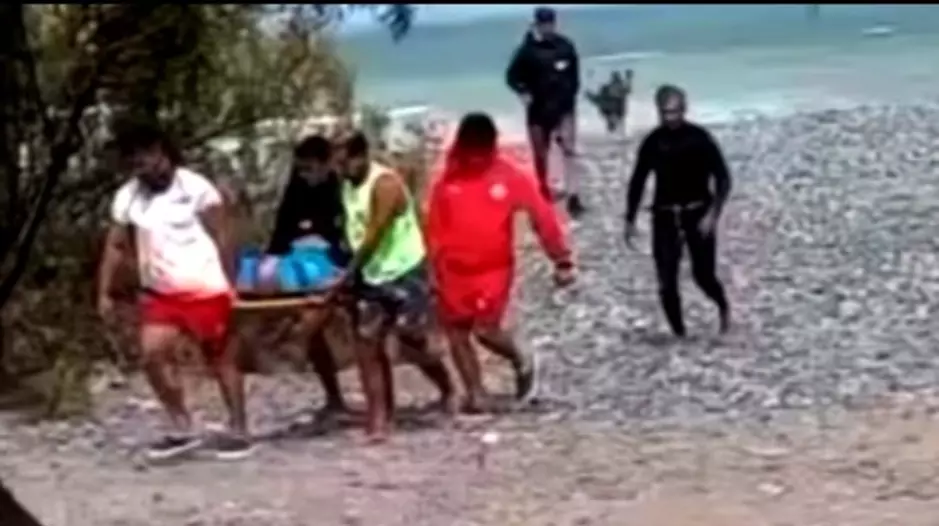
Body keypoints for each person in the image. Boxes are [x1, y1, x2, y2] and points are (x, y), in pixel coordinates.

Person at [97, 122, 253, 460]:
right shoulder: (129, 196)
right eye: (135, 161)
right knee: (151, 354)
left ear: (163, 154)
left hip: (205, 287)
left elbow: (223, 236)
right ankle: (182, 425)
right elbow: (116, 245)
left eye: (146, 158)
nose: (142, 167)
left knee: (221, 358)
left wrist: (233, 284)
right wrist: (105, 291)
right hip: (162, 292)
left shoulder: (196, 188)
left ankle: (239, 428)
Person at [424, 112, 575, 413]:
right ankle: (476, 394)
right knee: (456, 332)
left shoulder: (510, 175)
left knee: (485, 330)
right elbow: (433, 227)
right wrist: (430, 268)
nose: (475, 160)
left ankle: (521, 357)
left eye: (481, 154)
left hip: (492, 270)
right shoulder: (449, 178)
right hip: (452, 270)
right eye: (470, 153)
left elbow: (542, 217)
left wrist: (561, 259)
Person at [329, 132, 455, 443]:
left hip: (404, 271)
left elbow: (374, 232)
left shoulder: (385, 184)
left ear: (361, 156)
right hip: (371, 274)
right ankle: (379, 417)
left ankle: (447, 386)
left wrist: (347, 276)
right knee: (367, 344)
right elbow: (354, 229)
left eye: (344, 163)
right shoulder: (347, 185)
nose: (340, 170)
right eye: (337, 164)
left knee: (412, 340)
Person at [623, 85, 733, 338]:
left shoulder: (700, 138)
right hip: (665, 215)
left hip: (698, 213)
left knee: (703, 275)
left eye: (674, 112)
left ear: (684, 109)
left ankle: (723, 306)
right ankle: (679, 333)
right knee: (666, 280)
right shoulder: (653, 142)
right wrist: (630, 219)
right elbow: (638, 181)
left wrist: (713, 214)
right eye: (665, 113)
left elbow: (723, 178)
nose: (670, 118)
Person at [265, 135, 351, 420]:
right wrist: (272, 259)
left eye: (310, 168)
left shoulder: (342, 189)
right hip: (303, 263)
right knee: (313, 328)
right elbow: (282, 229)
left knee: (319, 313)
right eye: (301, 169)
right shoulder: (296, 189)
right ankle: (333, 397)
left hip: (339, 263)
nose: (305, 175)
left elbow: (350, 231)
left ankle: (296, 337)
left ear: (326, 164)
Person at [506, 6, 585, 217]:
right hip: (538, 112)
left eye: (550, 23)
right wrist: (523, 92)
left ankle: (574, 196)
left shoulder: (565, 46)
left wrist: (570, 96)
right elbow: (511, 77)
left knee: (569, 151)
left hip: (564, 109)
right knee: (541, 154)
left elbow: (575, 76)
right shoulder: (527, 51)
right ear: (537, 25)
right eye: (543, 24)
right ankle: (543, 190)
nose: (548, 27)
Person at [586, 69, 633, 136]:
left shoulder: (606, 113)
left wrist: (590, 96)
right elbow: (625, 94)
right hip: (612, 99)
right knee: (623, 92)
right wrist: (628, 79)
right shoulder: (620, 114)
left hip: (609, 98)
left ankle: (618, 131)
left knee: (617, 94)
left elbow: (598, 101)